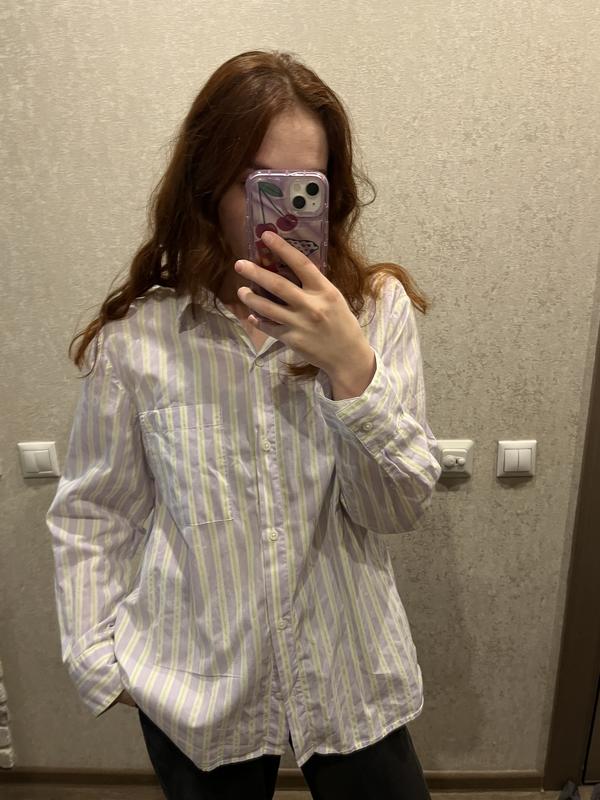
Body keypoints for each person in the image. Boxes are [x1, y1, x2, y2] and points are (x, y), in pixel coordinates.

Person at [46, 49, 442, 800]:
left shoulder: (373, 312)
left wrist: (348, 368)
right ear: (208, 185)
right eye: (259, 184)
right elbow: (96, 512)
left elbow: (396, 507)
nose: (284, 212)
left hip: (350, 664)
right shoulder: (139, 338)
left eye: (306, 186)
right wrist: (101, 661)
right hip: (194, 680)